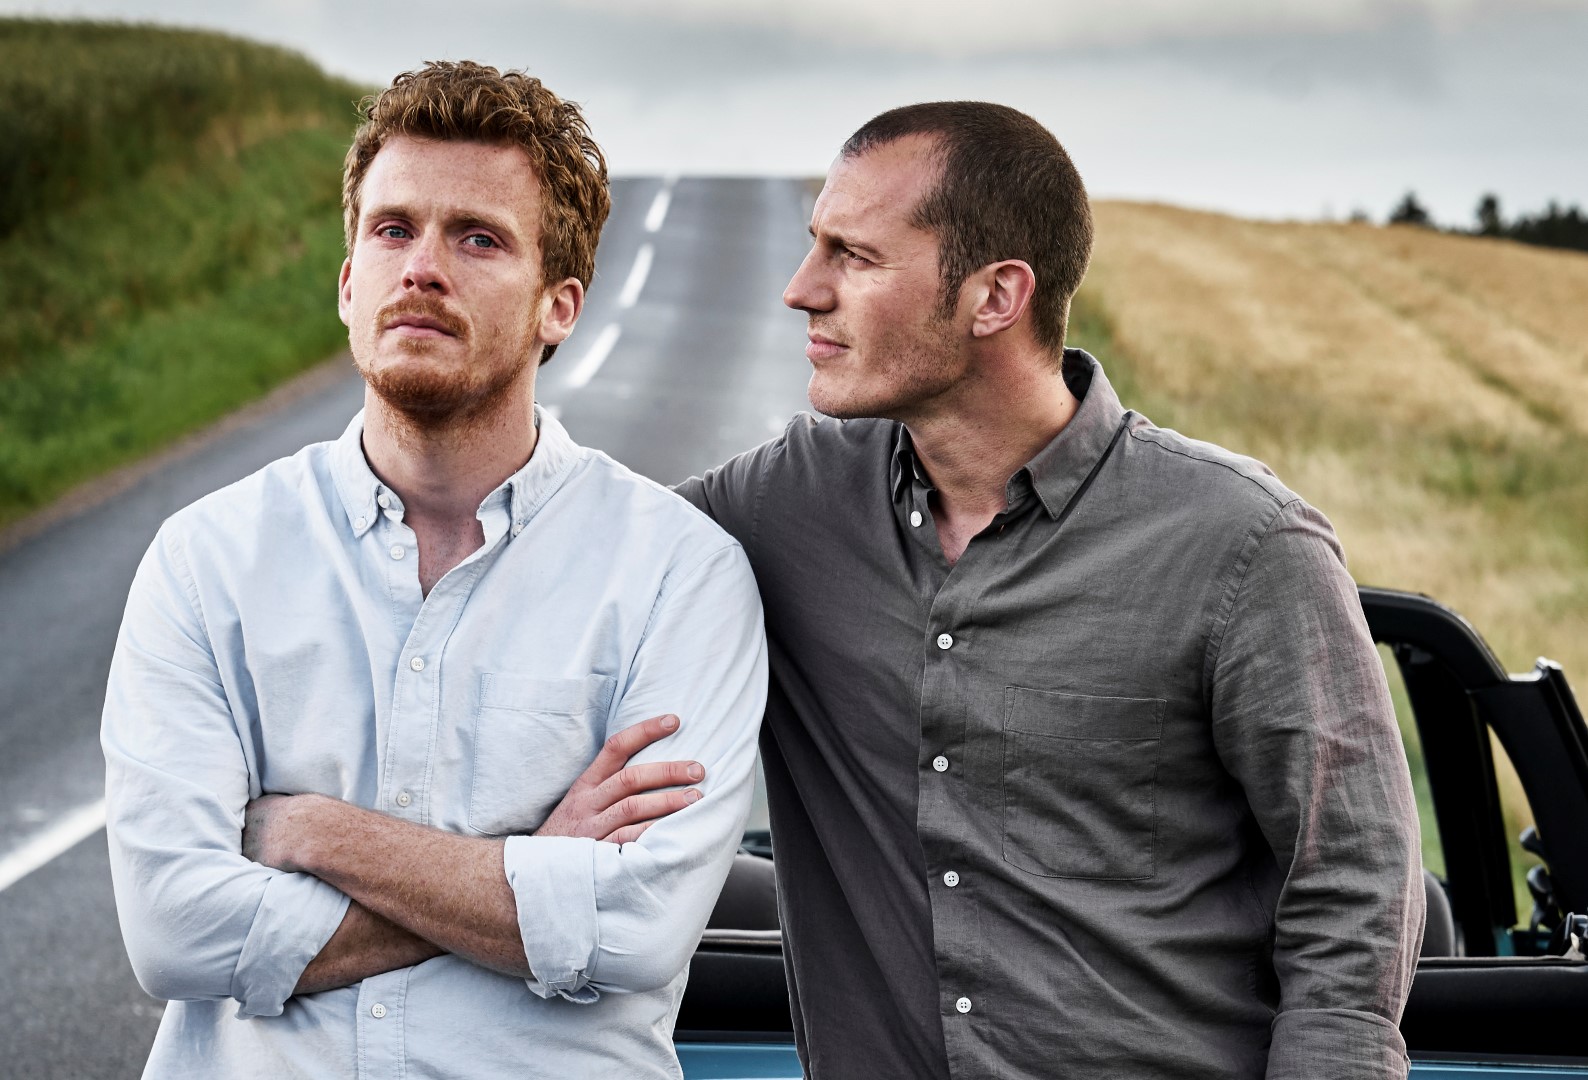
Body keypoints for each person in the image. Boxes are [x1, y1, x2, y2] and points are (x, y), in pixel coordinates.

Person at [676, 102, 1425, 1079]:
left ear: (996, 296)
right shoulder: (786, 502)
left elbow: (1352, 891)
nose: (801, 289)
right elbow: (574, 558)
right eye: (817, 245)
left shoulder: (1241, 545)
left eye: (853, 257)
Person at [101, 61, 765, 1078]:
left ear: (559, 306)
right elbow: (175, 933)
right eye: (393, 229)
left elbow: (634, 929)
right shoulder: (207, 562)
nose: (421, 267)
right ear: (348, 285)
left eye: (477, 238)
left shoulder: (680, 574)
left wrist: (320, 834)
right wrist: (536, 868)